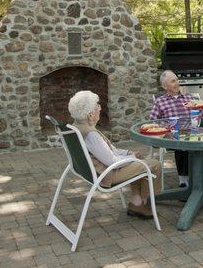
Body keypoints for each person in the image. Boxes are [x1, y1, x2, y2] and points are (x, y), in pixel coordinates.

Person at [68, 90, 161, 219]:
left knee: (140, 162)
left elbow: (110, 150)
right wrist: (132, 157)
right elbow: (112, 161)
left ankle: (137, 202)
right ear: (90, 115)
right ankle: (144, 202)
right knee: (154, 164)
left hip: (98, 171)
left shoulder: (77, 126)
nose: (100, 108)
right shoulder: (91, 134)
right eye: (97, 106)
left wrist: (129, 153)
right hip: (107, 175)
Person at [149, 70, 195, 187]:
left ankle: (201, 175)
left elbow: (199, 117)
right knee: (181, 143)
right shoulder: (160, 102)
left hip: (193, 133)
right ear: (165, 86)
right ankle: (184, 181)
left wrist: (198, 111)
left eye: (177, 80)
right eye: (173, 81)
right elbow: (152, 122)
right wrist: (163, 130)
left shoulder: (189, 98)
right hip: (172, 135)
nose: (177, 83)